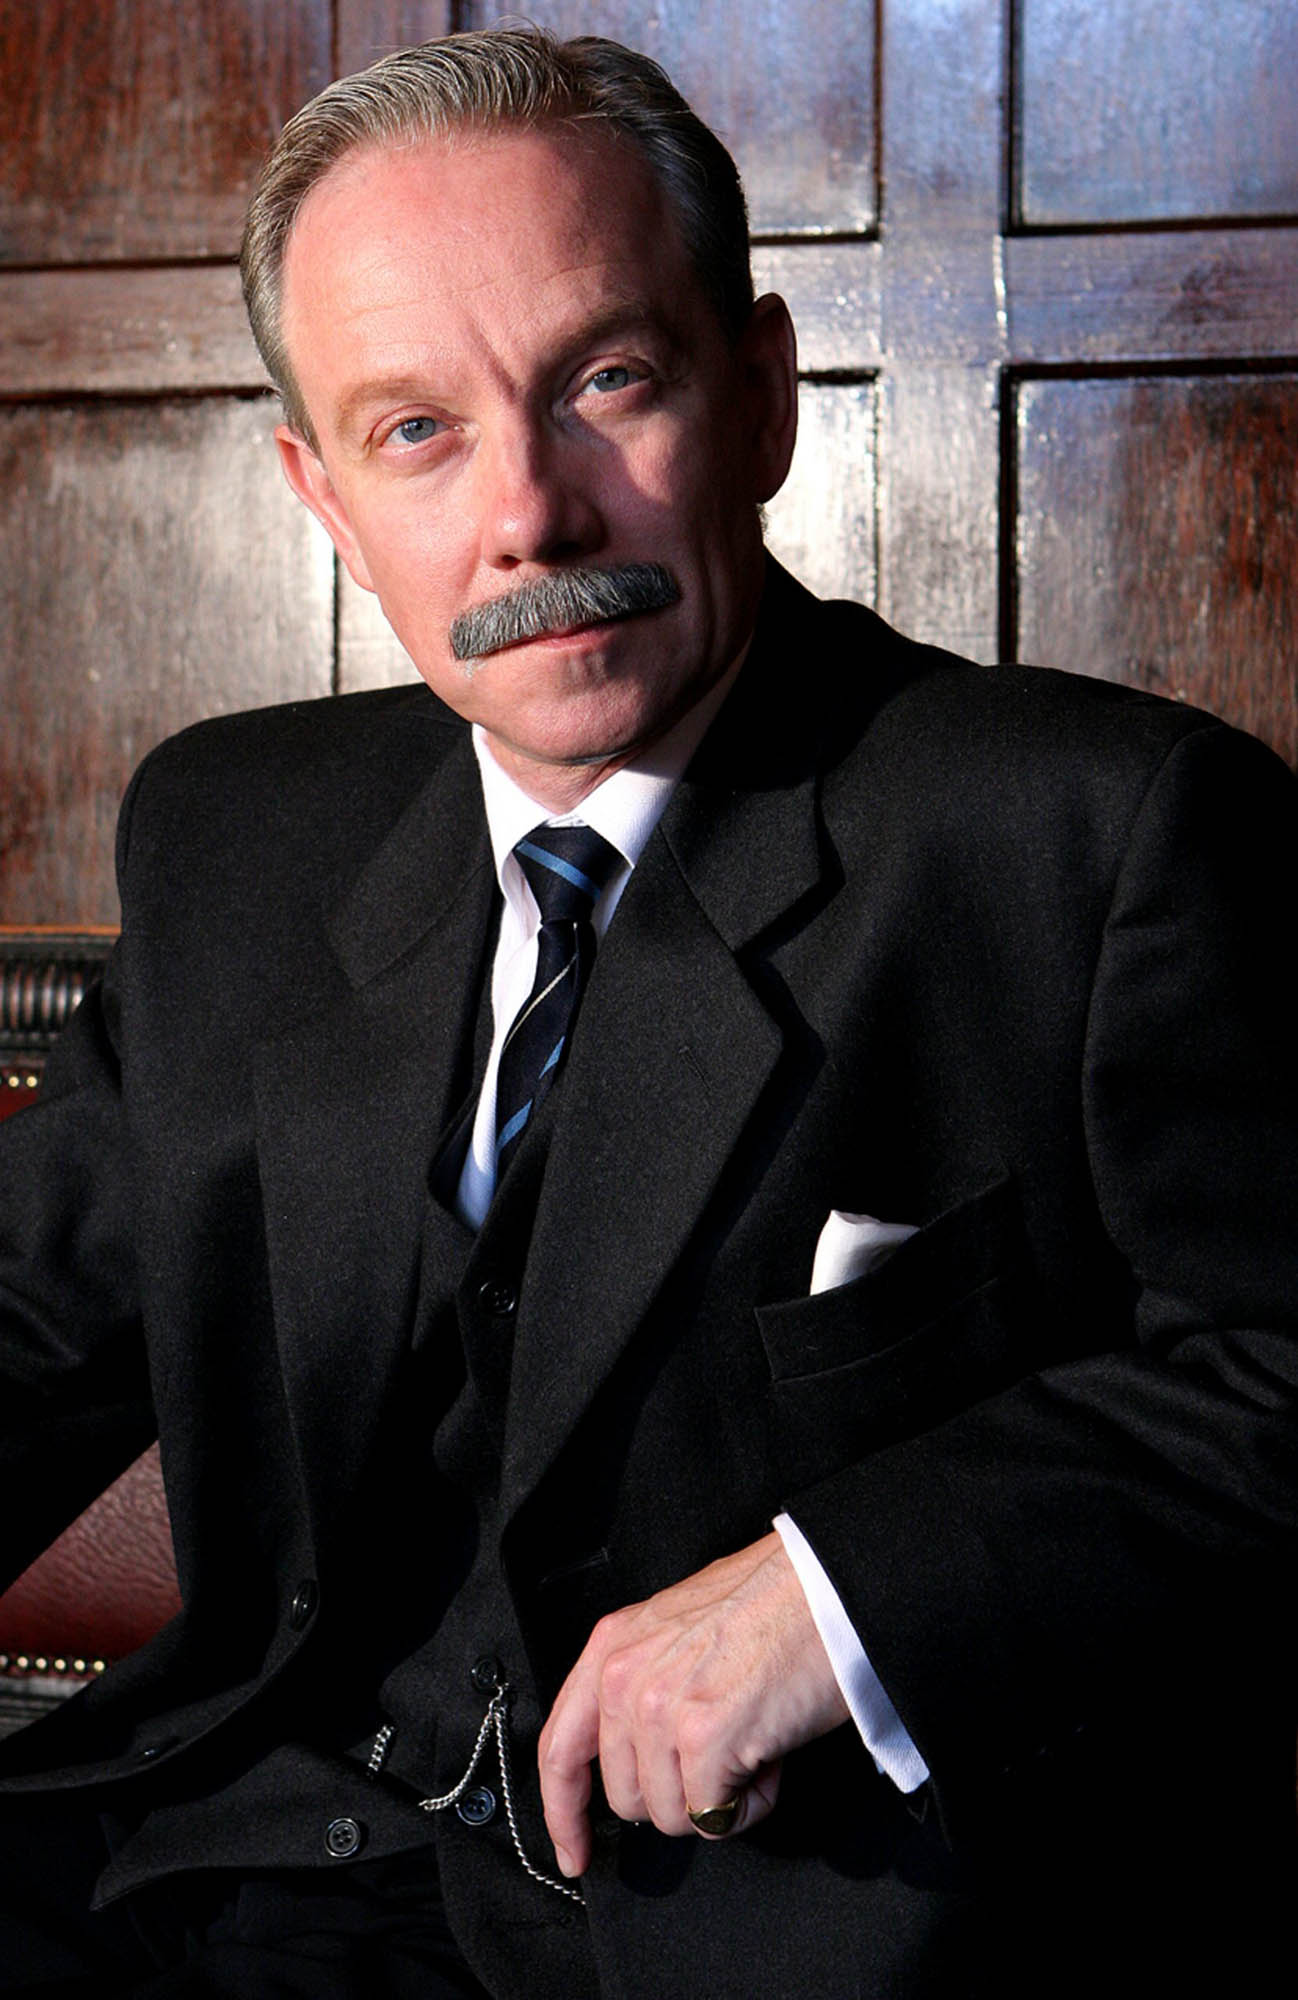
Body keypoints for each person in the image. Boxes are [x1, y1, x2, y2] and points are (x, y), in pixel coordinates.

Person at [1, 26, 1296, 1998]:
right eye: (415, 430)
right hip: (225, 1851)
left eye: (604, 382)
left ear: (760, 395)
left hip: (767, 1937)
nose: (531, 515)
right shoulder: (239, 837)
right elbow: (32, 1315)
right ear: (321, 497)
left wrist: (840, 1594)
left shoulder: (1093, 834)